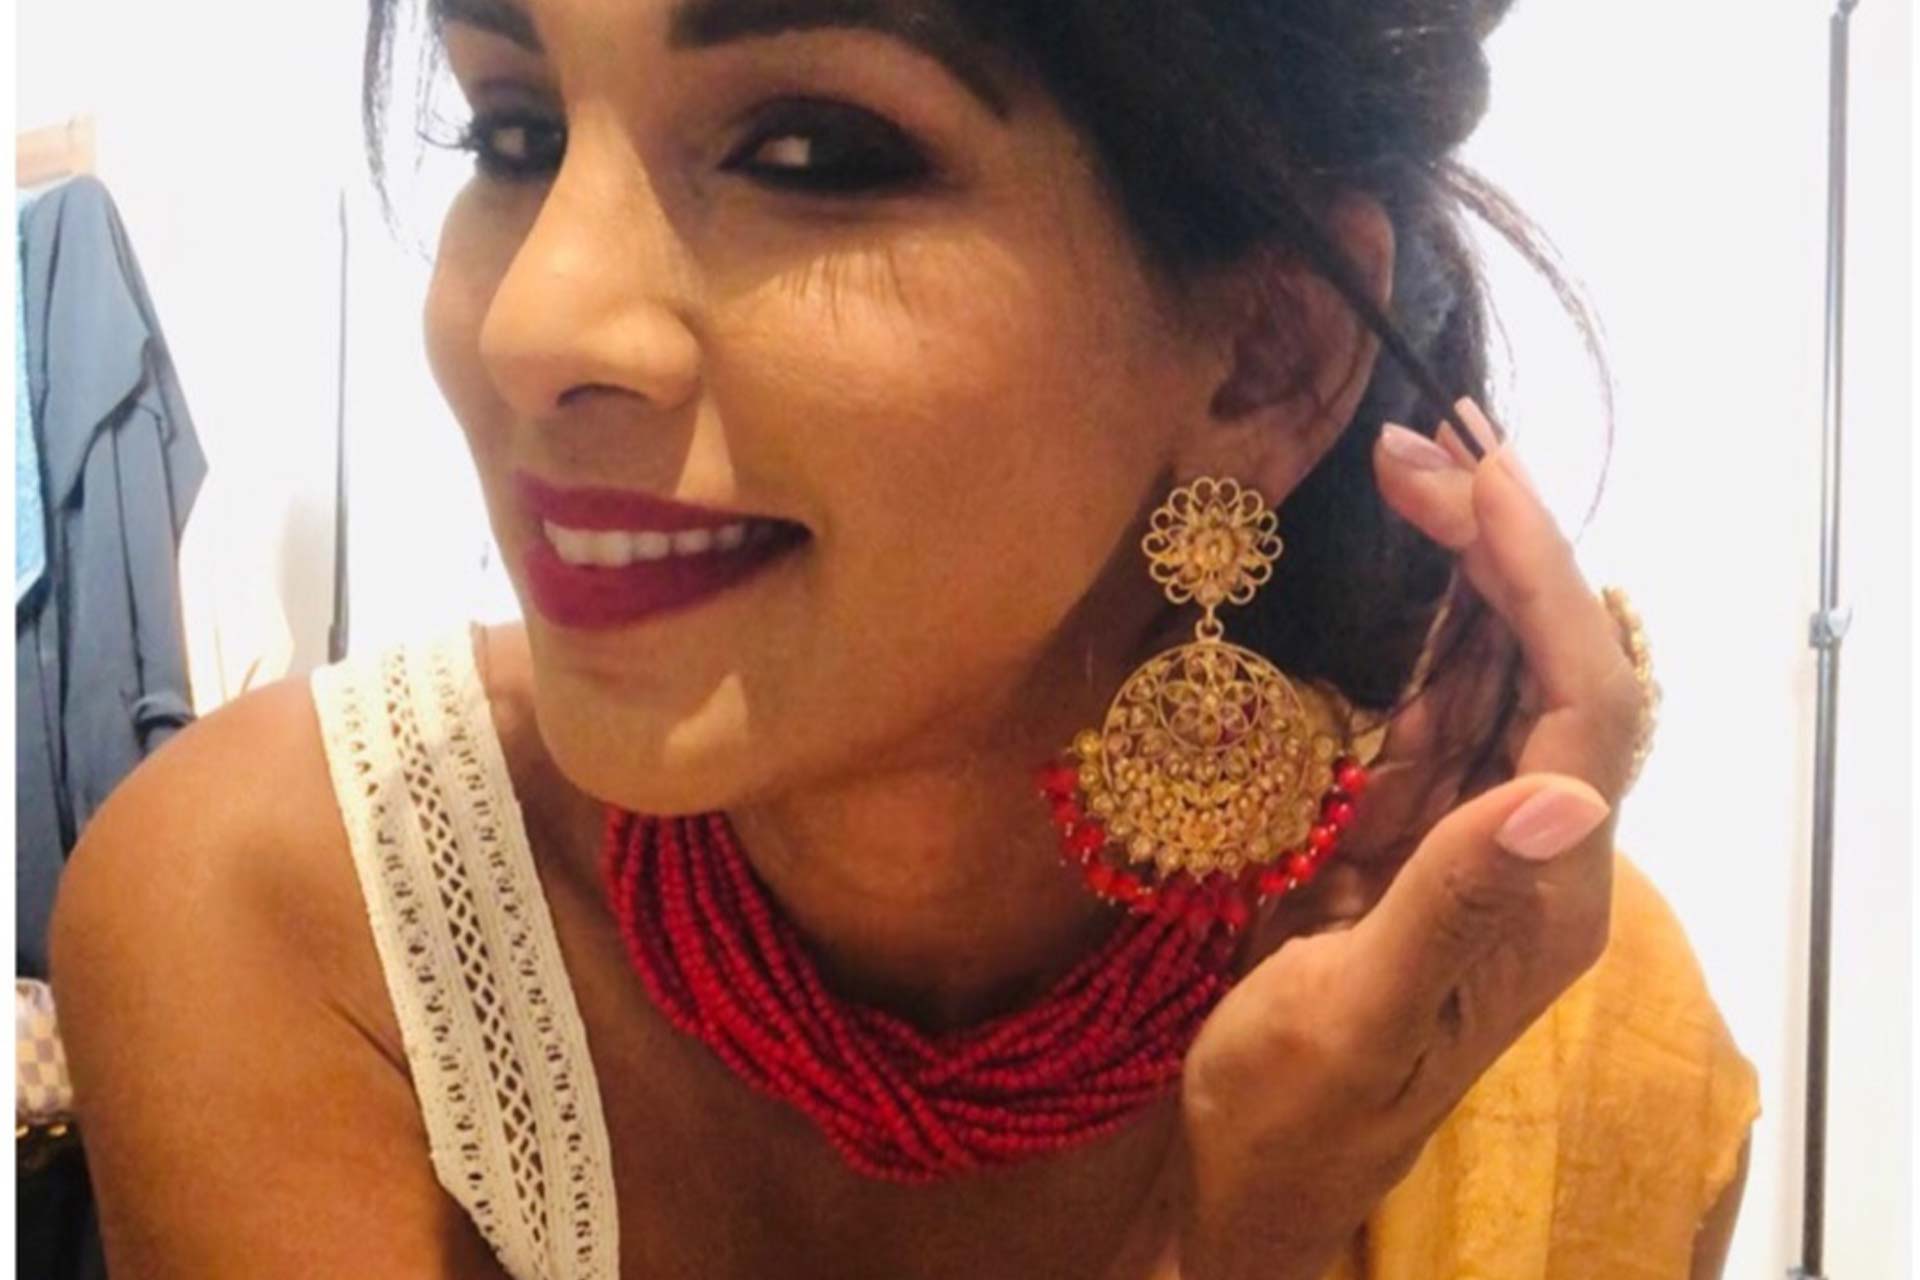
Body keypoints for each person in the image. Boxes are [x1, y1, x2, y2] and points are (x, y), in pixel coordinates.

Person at [49, 1, 1760, 1276]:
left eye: (810, 151)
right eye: (515, 133)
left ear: (1266, 359)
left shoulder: (1519, 1023)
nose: (532, 324)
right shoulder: (292, 906)